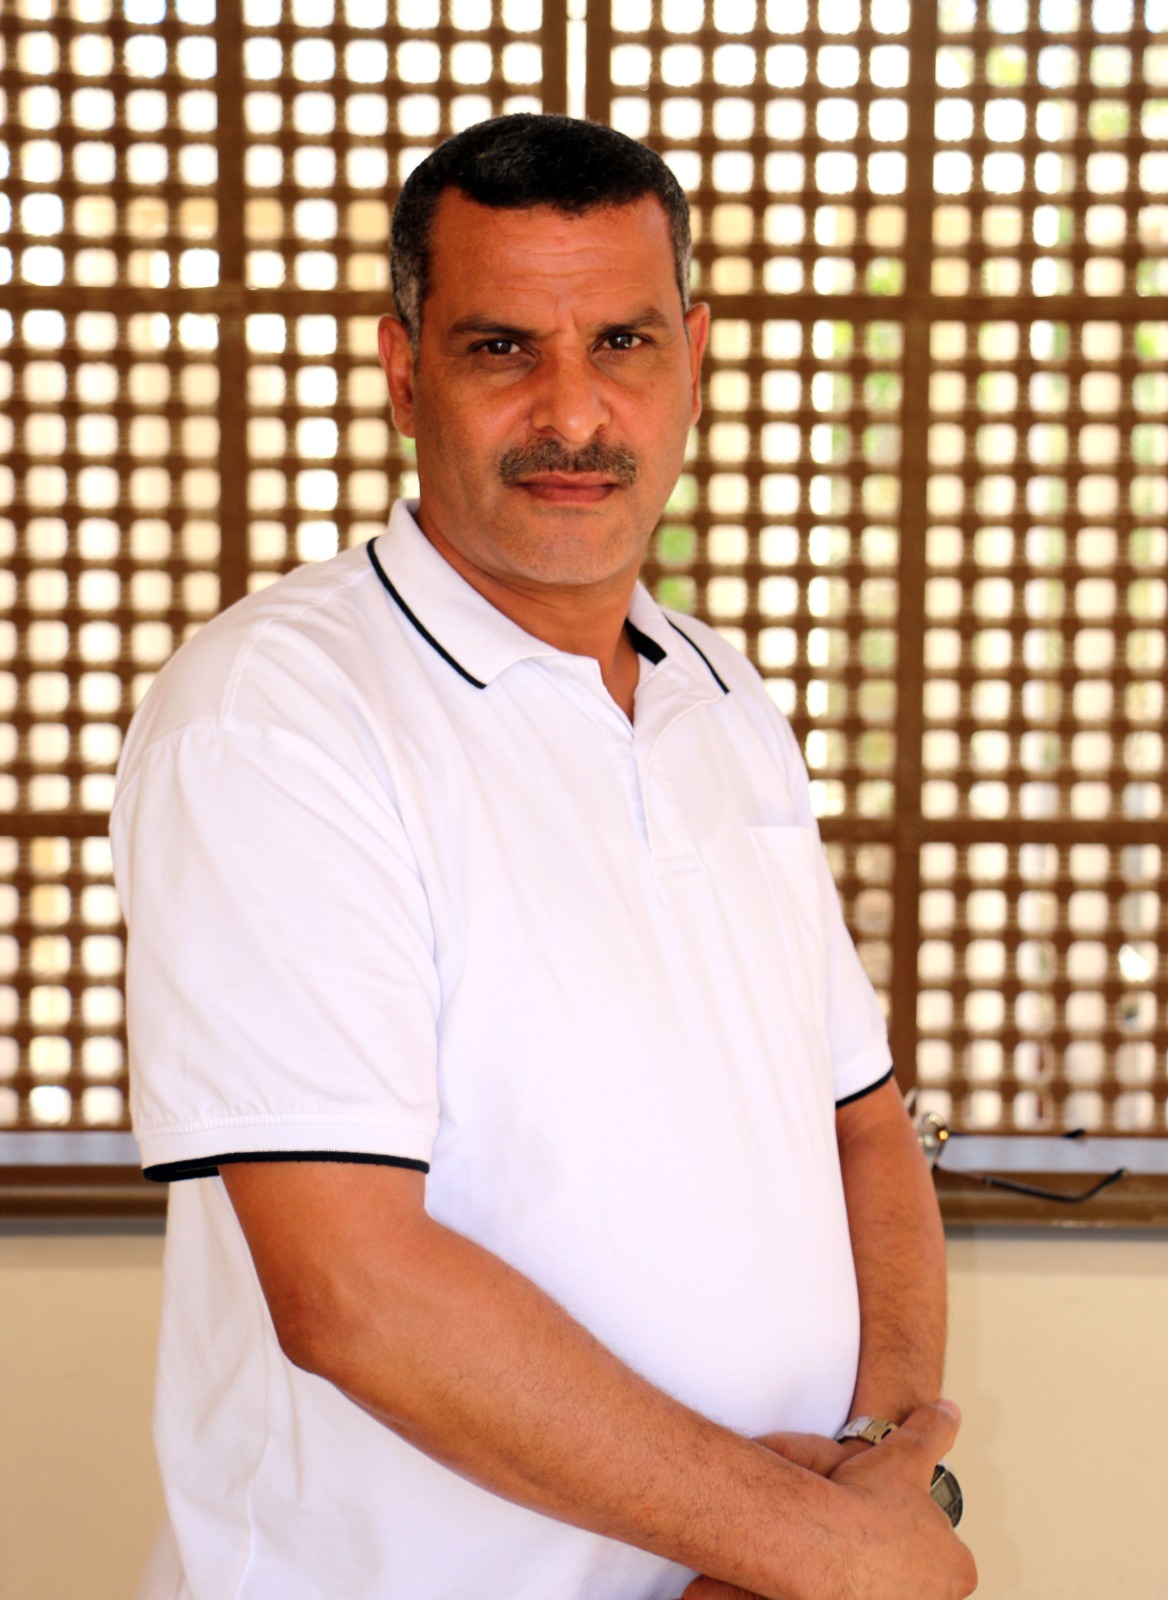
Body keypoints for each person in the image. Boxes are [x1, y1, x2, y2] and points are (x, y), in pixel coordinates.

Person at [112, 114, 977, 1600]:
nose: (573, 414)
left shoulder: (719, 693)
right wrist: (817, 1548)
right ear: (405, 372)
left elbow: (861, 1125)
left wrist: (875, 1463)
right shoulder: (275, 716)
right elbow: (354, 1291)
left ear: (693, 358)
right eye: (503, 348)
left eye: (623, 342)